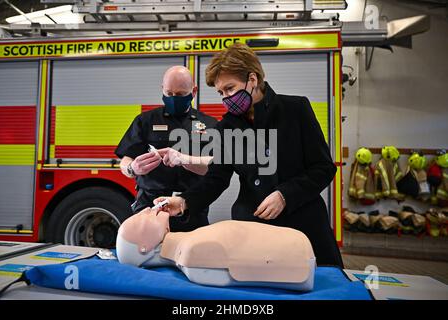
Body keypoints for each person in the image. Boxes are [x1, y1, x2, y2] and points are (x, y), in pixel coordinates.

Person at [154, 43, 344, 267]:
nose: (225, 97)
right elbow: (216, 179)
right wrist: (183, 201)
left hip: (303, 225)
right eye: (221, 92)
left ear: (252, 80)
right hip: (253, 228)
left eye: (230, 88)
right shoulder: (227, 128)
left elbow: (323, 167)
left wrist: (285, 195)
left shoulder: (295, 109)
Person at [115, 66, 217, 231]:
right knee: (146, 252)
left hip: (190, 206)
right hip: (150, 205)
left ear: (194, 91)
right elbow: (126, 159)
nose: (173, 99)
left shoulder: (210, 125)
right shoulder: (145, 121)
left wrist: (183, 159)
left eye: (180, 94)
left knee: (190, 254)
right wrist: (131, 168)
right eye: (169, 94)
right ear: (162, 90)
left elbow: (215, 167)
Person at [116, 207, 316, 291]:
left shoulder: (190, 246)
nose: (147, 210)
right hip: (299, 253)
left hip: (299, 249)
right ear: (144, 247)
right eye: (142, 219)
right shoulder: (191, 252)